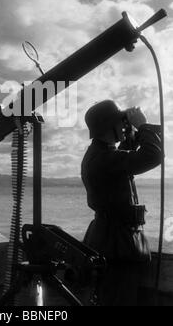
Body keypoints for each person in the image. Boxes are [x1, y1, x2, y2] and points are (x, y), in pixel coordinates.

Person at [82, 100, 162, 306]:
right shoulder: (103, 159)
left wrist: (130, 137)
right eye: (121, 123)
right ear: (110, 127)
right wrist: (143, 127)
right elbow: (152, 156)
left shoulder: (99, 155)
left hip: (110, 241)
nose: (124, 126)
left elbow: (122, 160)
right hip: (116, 247)